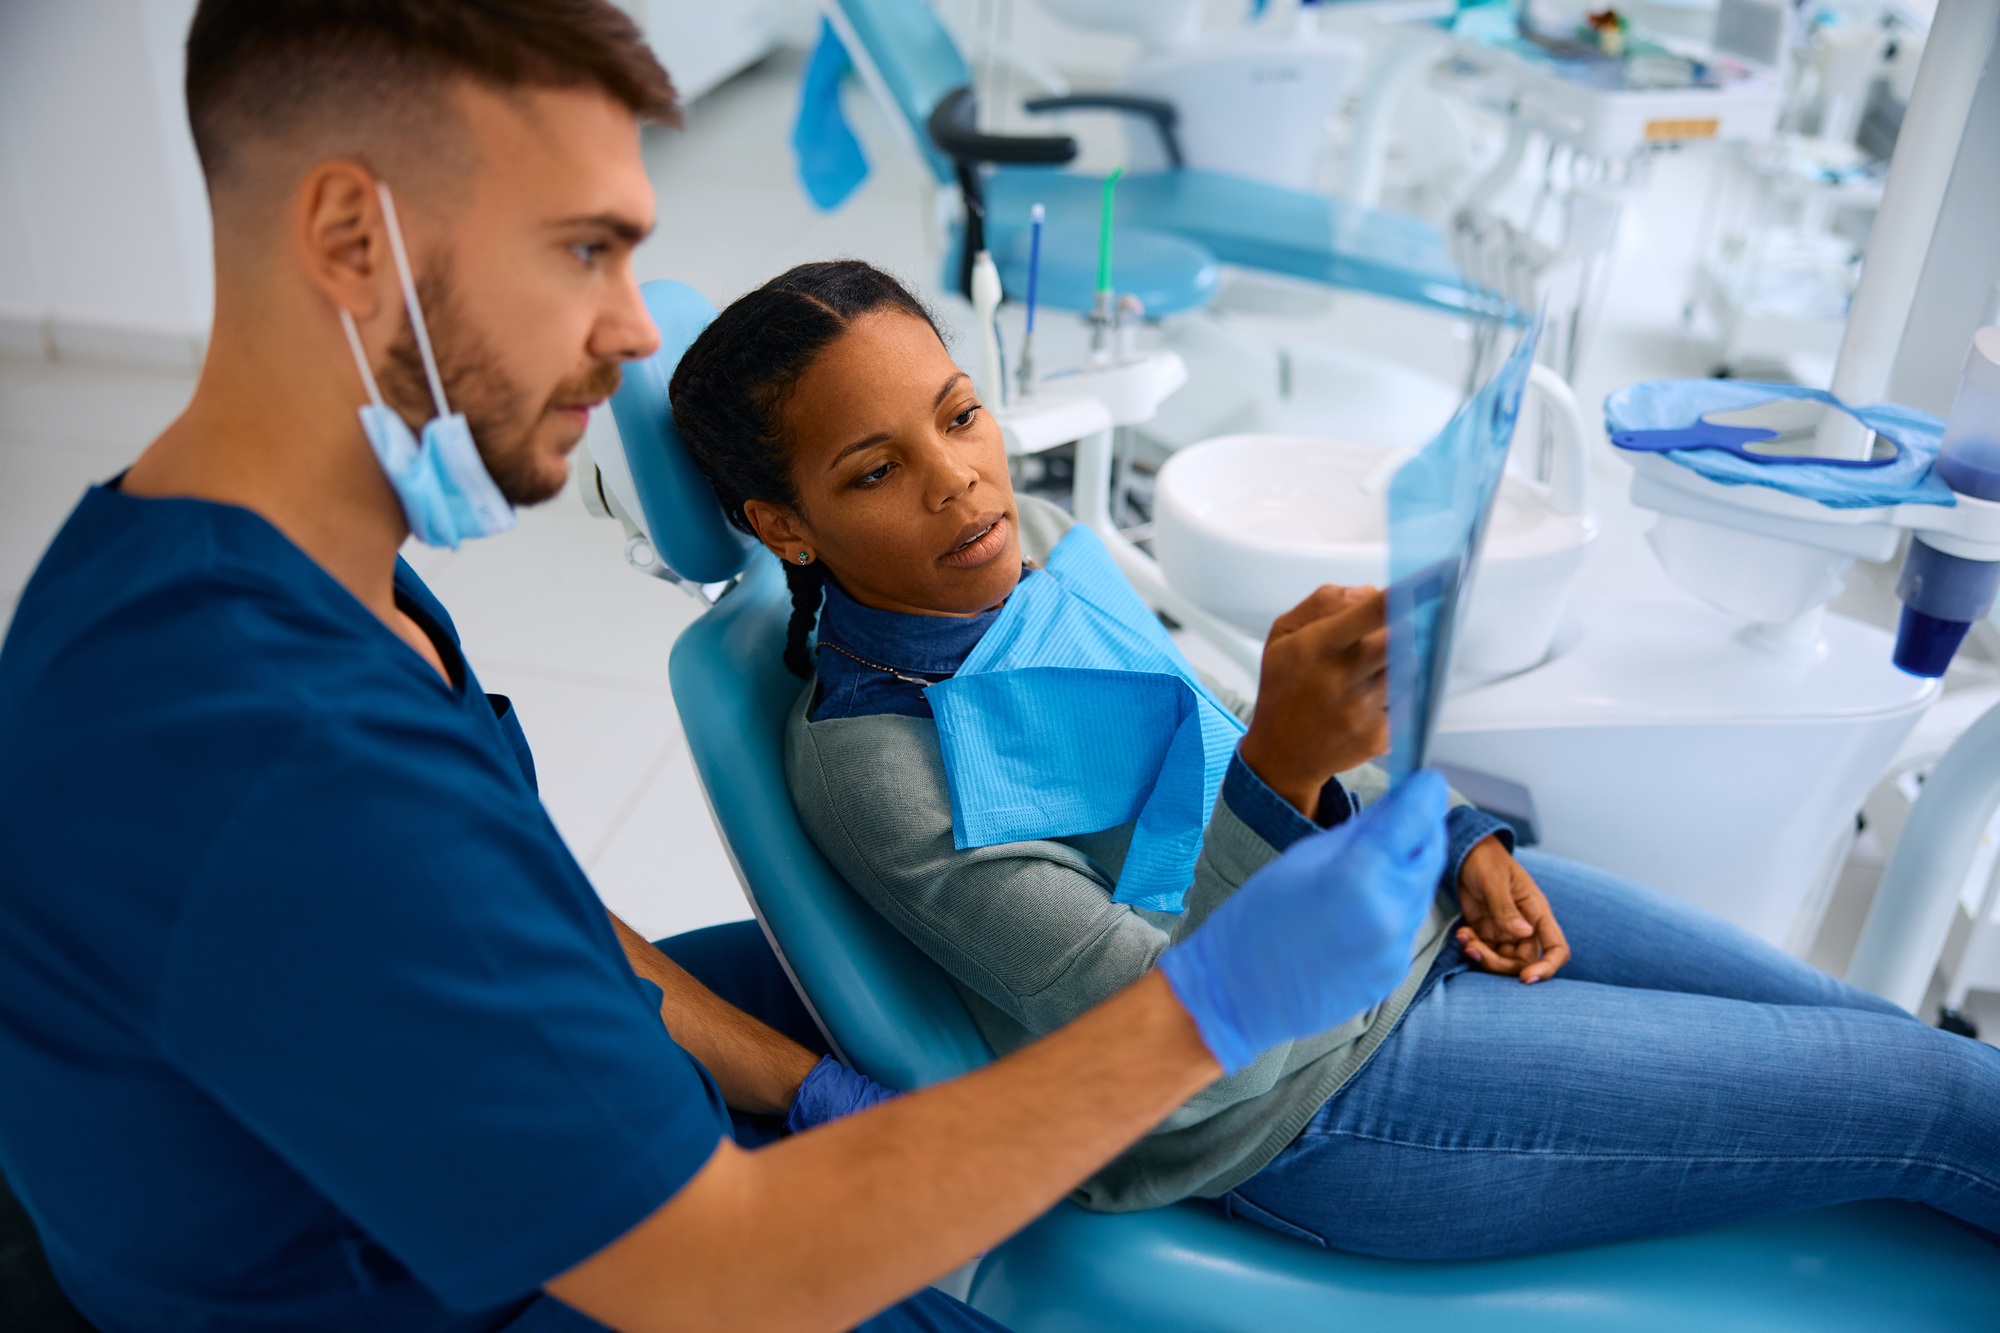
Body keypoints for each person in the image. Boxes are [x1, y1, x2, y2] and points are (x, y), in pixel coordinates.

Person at [0, 4, 1457, 1332]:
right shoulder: (271, 747)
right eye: (583, 249)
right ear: (350, 238)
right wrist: (1204, 1008)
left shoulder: (281, 577)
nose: (635, 330)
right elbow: (723, 1276)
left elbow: (535, 912)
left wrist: (792, 1073)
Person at [668, 257, 2000, 1259]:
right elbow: (1173, 1038)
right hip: (1313, 1095)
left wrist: (1455, 832)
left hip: (1402, 905)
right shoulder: (873, 766)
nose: (961, 482)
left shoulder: (1012, 575)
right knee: (1935, 1096)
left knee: (1873, 1037)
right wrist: (1282, 766)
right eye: (873, 471)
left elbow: (1204, 768)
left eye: (960, 417)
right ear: (784, 523)